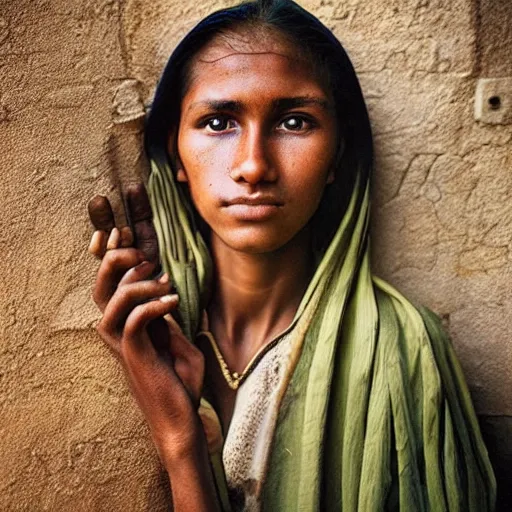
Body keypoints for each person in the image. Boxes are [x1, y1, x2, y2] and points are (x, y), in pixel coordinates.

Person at [87, 0, 496, 510]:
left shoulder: (403, 351)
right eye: (218, 123)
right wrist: (181, 436)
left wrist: (181, 445)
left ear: (336, 157)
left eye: (295, 122)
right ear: (175, 155)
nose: (254, 165)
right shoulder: (165, 340)